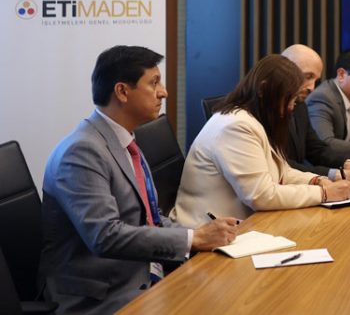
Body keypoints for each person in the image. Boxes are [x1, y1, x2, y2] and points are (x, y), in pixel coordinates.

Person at [39, 46, 239, 315]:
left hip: (143, 274)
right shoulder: (82, 152)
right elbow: (106, 236)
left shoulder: (125, 139)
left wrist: (201, 234)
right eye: (154, 83)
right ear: (122, 92)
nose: (164, 92)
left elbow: (151, 217)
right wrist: (193, 238)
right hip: (101, 297)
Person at [170, 55, 350, 228]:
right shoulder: (236, 126)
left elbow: (282, 171)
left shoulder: (253, 118)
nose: (292, 106)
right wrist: (324, 194)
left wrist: (319, 181)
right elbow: (261, 196)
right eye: (289, 98)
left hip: (244, 225)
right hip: (209, 232)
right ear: (263, 90)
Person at [280, 44, 350, 185]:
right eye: (308, 76)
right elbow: (282, 165)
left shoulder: (300, 106)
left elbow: (316, 149)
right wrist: (337, 175)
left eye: (315, 80)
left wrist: (346, 162)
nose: (312, 87)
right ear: (285, 70)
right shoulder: (264, 110)